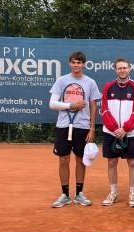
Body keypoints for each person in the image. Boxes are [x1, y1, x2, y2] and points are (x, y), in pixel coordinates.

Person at [49, 51, 101, 208]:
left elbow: (93, 106)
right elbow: (52, 104)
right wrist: (71, 105)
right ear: (69, 64)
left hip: (83, 127)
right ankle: (65, 195)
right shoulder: (61, 81)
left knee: (80, 160)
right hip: (63, 125)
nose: (76, 65)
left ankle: (79, 194)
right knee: (63, 159)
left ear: (83, 64)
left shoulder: (90, 82)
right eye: (73, 62)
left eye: (79, 62)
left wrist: (92, 128)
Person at [100, 57, 134, 207]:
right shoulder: (108, 87)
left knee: (132, 162)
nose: (122, 70)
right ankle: (113, 192)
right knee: (112, 162)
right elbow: (104, 110)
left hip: (130, 132)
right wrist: (115, 128)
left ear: (129, 68)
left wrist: (125, 128)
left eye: (125, 67)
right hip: (111, 132)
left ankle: (132, 193)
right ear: (115, 70)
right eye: (119, 68)